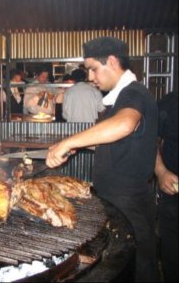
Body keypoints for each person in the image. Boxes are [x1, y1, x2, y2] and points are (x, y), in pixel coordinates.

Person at [46, 37, 160, 282]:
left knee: (139, 269)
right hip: (117, 199)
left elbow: (126, 125)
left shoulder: (133, 93)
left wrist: (70, 141)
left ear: (111, 61)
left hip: (130, 202)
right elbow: (122, 140)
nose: (91, 76)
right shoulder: (118, 99)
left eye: (93, 68)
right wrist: (77, 145)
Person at [154, 91, 178, 283]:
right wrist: (161, 171)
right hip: (174, 191)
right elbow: (152, 142)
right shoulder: (170, 102)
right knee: (172, 250)